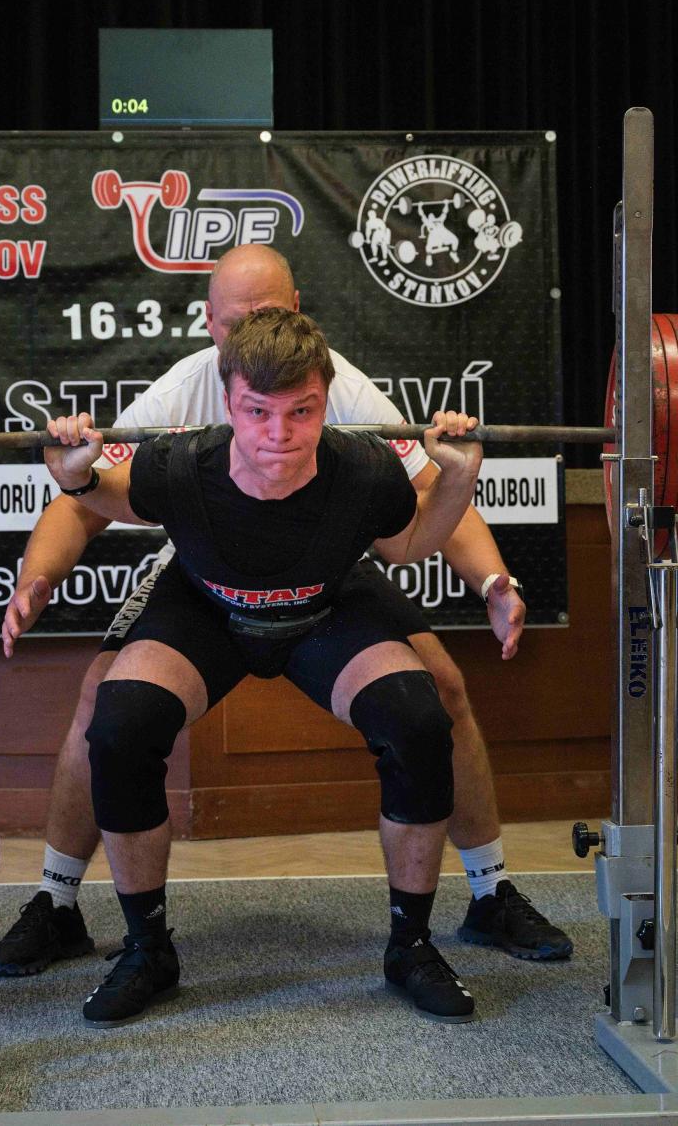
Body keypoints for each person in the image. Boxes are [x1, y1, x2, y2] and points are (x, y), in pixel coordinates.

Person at [0, 244, 571, 985]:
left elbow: (431, 502)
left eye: (269, 318)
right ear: (211, 328)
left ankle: (489, 890)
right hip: (206, 572)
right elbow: (86, 495)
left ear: (297, 315)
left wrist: (492, 581)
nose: (257, 346)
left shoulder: (333, 384)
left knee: (438, 693)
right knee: (109, 702)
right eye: (237, 326)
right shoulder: (182, 395)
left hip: (328, 570)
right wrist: (36, 578)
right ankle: (57, 901)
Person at [40, 307, 484, 1026]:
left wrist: (457, 479)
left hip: (326, 608)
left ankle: (410, 947)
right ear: (228, 403)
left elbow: (407, 547)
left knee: (419, 722)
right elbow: (109, 497)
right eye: (258, 411)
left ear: (326, 400)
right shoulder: (180, 464)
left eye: (301, 411)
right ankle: (148, 949)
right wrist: (74, 476)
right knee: (120, 727)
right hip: (206, 610)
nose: (279, 433)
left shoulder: (363, 468)